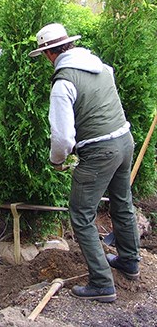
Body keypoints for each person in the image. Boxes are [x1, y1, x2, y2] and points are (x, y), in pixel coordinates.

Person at [29, 23, 140, 303]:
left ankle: (102, 283)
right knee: (122, 202)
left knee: (80, 214)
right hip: (124, 141)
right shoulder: (101, 66)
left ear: (49, 54)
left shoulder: (63, 82)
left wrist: (56, 161)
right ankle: (129, 260)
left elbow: (64, 138)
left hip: (100, 151)